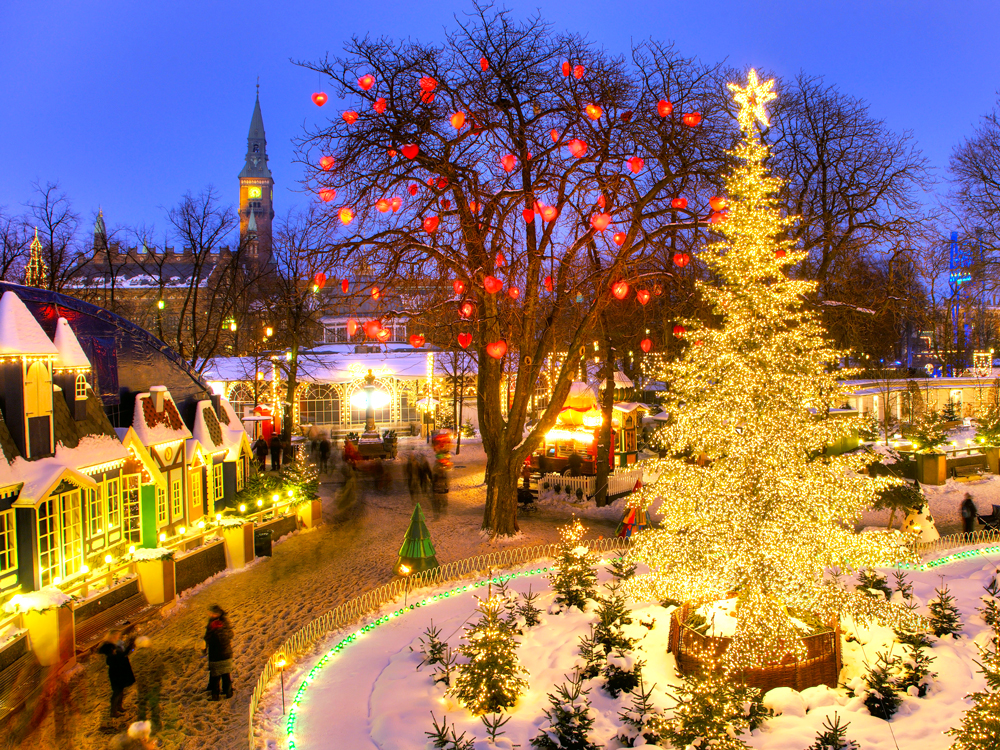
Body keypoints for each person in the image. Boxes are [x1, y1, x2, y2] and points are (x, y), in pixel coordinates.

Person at [97, 628, 137, 718]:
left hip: (122, 669)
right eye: (116, 636)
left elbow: (123, 654)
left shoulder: (118, 644)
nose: (118, 637)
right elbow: (118, 656)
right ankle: (113, 711)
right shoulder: (108, 647)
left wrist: (130, 648)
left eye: (118, 635)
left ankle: (119, 706)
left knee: (121, 690)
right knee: (117, 691)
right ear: (111, 636)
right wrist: (129, 647)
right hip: (116, 671)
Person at [203, 605, 234, 700]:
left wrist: (204, 648)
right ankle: (228, 692)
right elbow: (231, 634)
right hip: (226, 653)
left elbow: (207, 637)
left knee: (216, 675)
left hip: (216, 654)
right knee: (226, 674)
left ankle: (215, 695)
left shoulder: (212, 624)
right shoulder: (225, 621)